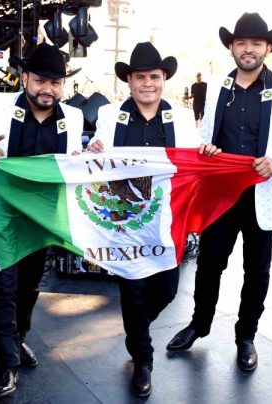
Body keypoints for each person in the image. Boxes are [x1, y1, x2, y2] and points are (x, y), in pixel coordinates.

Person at [165, 13, 272, 372]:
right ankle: (199, 325)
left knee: (256, 270)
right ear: (232, 47)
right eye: (242, 43)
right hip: (221, 194)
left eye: (256, 43)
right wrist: (207, 149)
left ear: (267, 48)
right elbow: (205, 137)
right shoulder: (218, 86)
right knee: (210, 265)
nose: (248, 49)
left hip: (264, 194)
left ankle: (246, 336)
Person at [87, 42, 219, 398]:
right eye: (140, 77)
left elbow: (193, 163)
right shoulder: (112, 116)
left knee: (167, 290)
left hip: (167, 223)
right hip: (126, 222)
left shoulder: (179, 117)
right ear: (129, 81)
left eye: (155, 77)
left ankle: (136, 331)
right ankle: (143, 360)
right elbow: (97, 156)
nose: (148, 83)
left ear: (164, 80)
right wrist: (92, 151)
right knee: (134, 291)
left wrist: (206, 155)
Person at [0, 42, 84, 399]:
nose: (47, 89)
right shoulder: (1, 106)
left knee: (31, 287)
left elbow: (74, 165)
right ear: (26, 78)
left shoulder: (73, 118)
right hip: (3, 216)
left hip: (44, 217)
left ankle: (17, 339)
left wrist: (89, 155)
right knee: (3, 288)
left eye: (56, 82)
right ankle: (7, 362)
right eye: (41, 81)